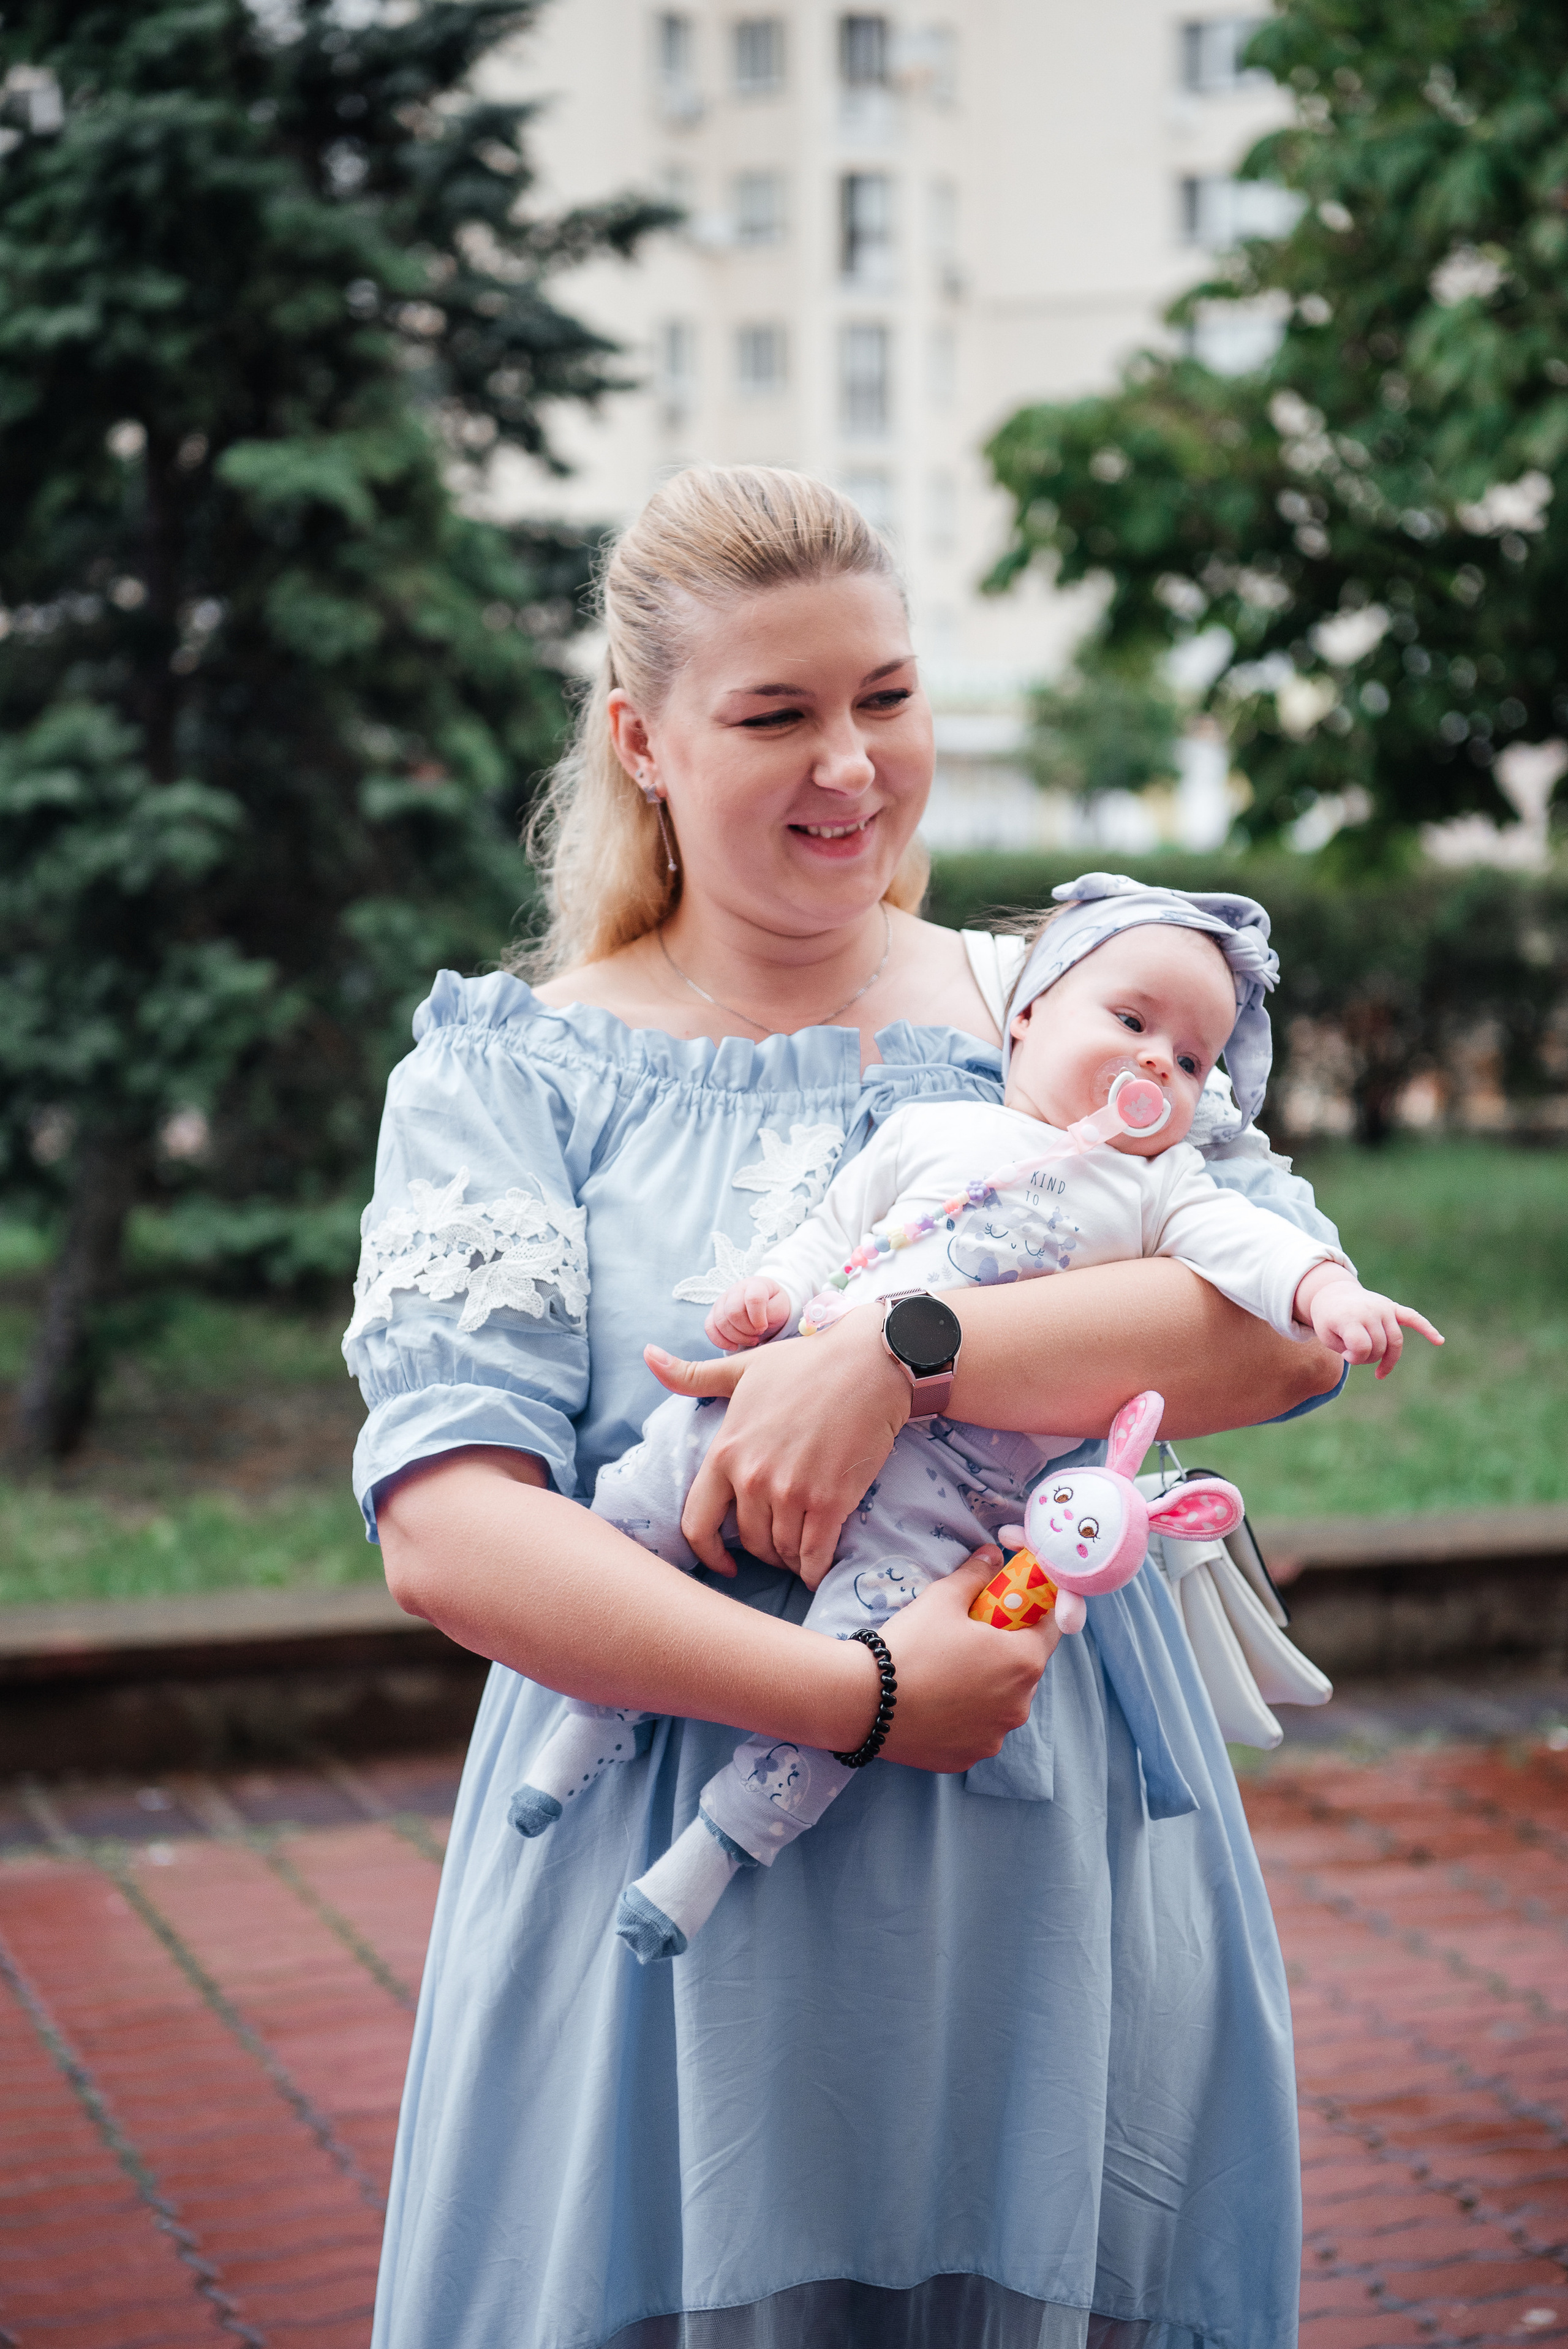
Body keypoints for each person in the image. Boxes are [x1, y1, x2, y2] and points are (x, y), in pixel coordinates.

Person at [347, 466, 1346, 2349]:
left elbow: (1274, 1329)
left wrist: (893, 1353)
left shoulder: (1050, 1007)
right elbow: (447, 1529)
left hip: (1057, 1877)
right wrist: (864, 1701)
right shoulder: (515, 1070)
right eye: (777, 715)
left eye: (885, 697)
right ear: (643, 740)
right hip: (670, 1888)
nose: (853, 768)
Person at [514, 874, 1440, 1964]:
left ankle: (716, 1848)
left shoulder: (1164, 1193)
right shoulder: (933, 1126)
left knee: (875, 1656)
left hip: (947, 1502)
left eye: (1192, 1061)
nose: (1158, 1063)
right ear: (1031, 1012)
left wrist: (1331, 1293)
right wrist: (771, 1291)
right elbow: (832, 1225)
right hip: (785, 1409)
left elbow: (1261, 1257)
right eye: (1133, 1022)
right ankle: (592, 1715)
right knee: (652, 1485)